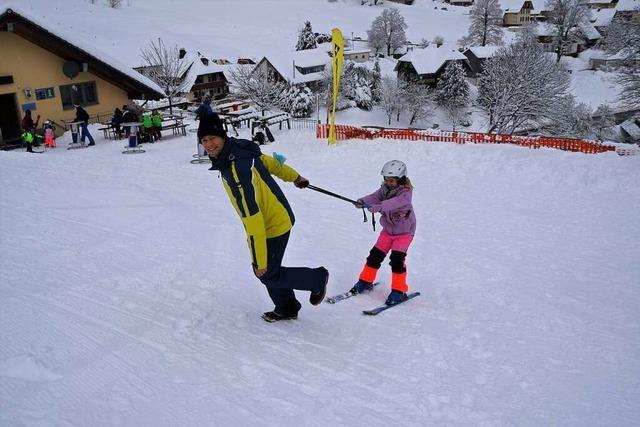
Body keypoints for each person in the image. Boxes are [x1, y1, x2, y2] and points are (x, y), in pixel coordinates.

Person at [198, 113, 329, 322]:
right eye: (204, 140)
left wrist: (259, 262)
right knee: (267, 269)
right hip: (275, 216)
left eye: (212, 138)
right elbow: (271, 164)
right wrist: (295, 177)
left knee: (266, 271)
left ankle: (316, 279)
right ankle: (286, 306)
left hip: (273, 223)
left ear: (222, 137)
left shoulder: (236, 170)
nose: (209, 144)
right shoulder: (239, 151)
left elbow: (252, 217)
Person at [351, 160, 417, 306]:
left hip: (404, 233)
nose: (388, 183)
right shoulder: (385, 189)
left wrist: (377, 207)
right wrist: (362, 201)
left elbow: (391, 204)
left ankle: (399, 291)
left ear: (401, 179)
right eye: (386, 180)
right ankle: (365, 281)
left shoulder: (405, 194)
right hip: (388, 230)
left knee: (397, 260)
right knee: (375, 255)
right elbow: (375, 197)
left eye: (392, 180)